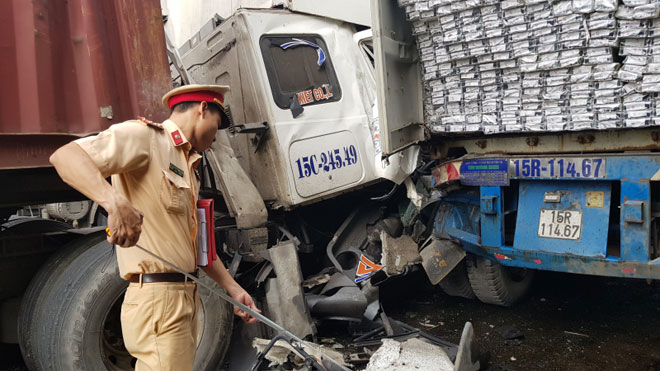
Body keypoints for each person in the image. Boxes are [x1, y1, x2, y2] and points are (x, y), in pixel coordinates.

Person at [49, 84, 260, 371]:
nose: (216, 136)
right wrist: (113, 202)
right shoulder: (145, 138)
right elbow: (65, 157)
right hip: (158, 299)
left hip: (183, 297)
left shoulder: (189, 166)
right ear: (202, 109)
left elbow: (196, 247)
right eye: (218, 124)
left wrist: (233, 289)